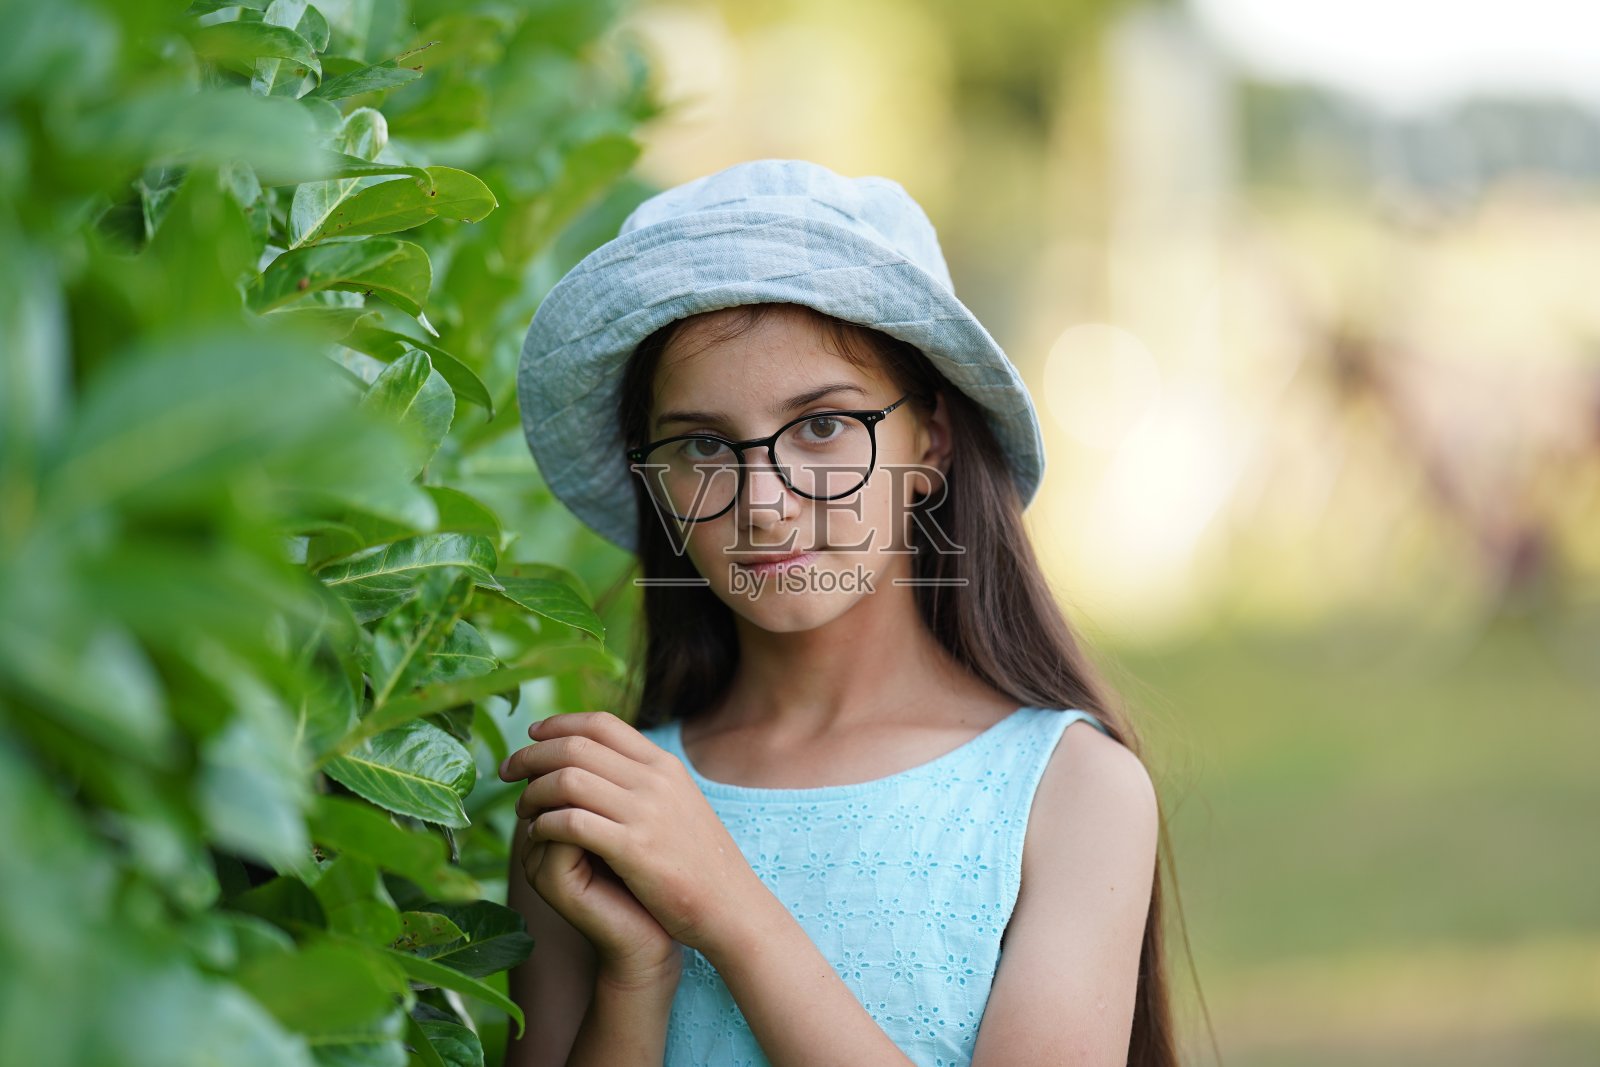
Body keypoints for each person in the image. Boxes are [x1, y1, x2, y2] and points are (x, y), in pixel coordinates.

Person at [498, 159, 1177, 1066]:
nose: (765, 503)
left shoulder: (1072, 794)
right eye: (703, 444)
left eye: (821, 426)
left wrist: (730, 908)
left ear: (929, 439)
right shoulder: (607, 809)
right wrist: (636, 977)